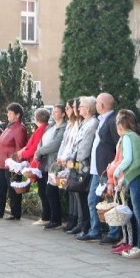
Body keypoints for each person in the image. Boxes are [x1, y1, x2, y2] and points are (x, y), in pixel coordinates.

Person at [112, 109, 140, 259]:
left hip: (138, 177)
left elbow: (127, 160)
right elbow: (135, 161)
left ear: (120, 126)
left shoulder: (127, 137)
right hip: (138, 175)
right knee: (139, 212)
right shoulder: (135, 136)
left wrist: (117, 172)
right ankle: (139, 246)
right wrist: (123, 180)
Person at [83, 93, 121, 244]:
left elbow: (118, 145)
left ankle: (113, 233)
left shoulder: (112, 121)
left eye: (97, 103)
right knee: (93, 200)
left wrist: (113, 166)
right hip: (97, 170)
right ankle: (95, 230)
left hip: (107, 169)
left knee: (110, 201)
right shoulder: (102, 120)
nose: (96, 105)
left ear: (102, 105)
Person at [0, 103, 28, 220]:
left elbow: (20, 147)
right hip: (3, 162)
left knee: (12, 188)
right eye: (8, 112)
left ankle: (15, 212)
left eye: (10, 113)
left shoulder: (19, 128)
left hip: (12, 163)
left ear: (17, 115)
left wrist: (17, 164)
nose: (8, 115)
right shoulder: (9, 126)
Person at [70, 96, 99, 238]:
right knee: (79, 194)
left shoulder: (93, 123)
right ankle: (83, 225)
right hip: (77, 163)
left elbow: (85, 147)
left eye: (81, 106)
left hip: (84, 165)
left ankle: (87, 227)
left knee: (84, 194)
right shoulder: (84, 122)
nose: (78, 108)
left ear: (87, 109)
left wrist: (76, 160)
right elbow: (75, 142)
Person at [15, 108, 50, 221]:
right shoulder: (43, 129)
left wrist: (22, 154)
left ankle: (46, 216)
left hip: (38, 163)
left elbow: (34, 148)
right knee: (43, 191)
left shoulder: (41, 130)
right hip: (39, 162)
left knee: (43, 191)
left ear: (36, 119)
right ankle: (46, 216)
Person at [35, 105, 66, 229]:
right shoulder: (51, 126)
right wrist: (38, 151)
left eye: (57, 111)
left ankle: (56, 219)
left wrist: (40, 151)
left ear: (63, 114)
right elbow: (41, 141)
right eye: (53, 111)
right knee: (46, 191)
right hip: (46, 162)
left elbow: (56, 144)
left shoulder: (63, 127)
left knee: (52, 191)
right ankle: (51, 217)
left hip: (56, 164)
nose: (54, 113)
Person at [57, 99, 82, 232]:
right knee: (70, 190)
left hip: (75, 161)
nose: (67, 110)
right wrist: (60, 157)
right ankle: (72, 219)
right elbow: (65, 143)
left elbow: (76, 146)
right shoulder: (70, 124)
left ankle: (78, 221)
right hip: (66, 160)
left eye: (69, 108)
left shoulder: (79, 123)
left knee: (76, 190)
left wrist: (67, 159)